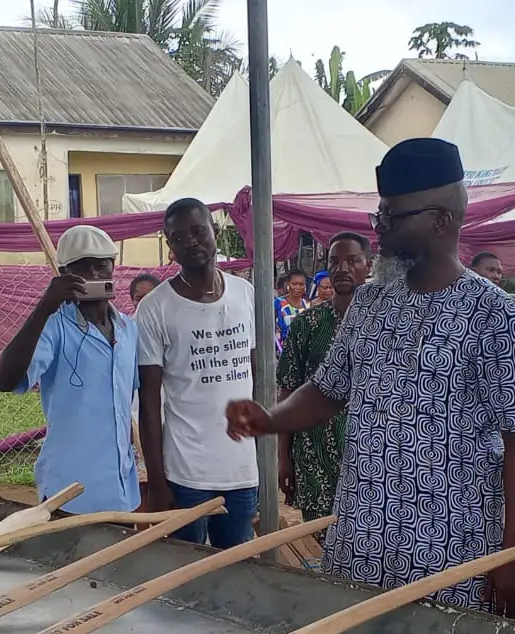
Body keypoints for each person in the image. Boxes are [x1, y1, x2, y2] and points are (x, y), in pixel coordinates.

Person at [224, 138, 515, 615]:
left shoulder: (495, 314)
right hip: (361, 539)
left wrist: (512, 553)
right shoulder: (370, 303)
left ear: (439, 220)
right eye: (379, 217)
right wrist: (271, 419)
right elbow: (327, 389)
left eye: (391, 217)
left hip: (450, 549)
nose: (380, 231)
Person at [137, 198, 258, 548]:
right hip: (186, 473)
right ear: (169, 244)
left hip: (242, 469)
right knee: (185, 575)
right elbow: (149, 402)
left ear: (215, 231)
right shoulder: (155, 308)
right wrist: (158, 481)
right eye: (178, 237)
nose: (190, 241)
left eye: (198, 231)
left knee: (236, 570)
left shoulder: (244, 294)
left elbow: (259, 377)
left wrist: (267, 456)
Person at [0, 225, 139, 513]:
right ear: (65, 275)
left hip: (122, 488)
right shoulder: (53, 325)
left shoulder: (128, 329)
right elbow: (5, 380)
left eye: (101, 267)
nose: (94, 276)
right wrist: (45, 306)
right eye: (82, 270)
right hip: (69, 491)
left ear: (113, 267)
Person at [275, 232, 371, 529]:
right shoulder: (308, 323)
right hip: (314, 452)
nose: (342, 269)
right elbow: (288, 389)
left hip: (372, 451)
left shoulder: (384, 324)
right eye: (334, 262)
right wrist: (284, 456)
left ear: (368, 266)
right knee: (321, 536)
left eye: (352, 261)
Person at [274, 269, 309, 348]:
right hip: (283, 352)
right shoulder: (278, 303)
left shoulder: (308, 305)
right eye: (294, 284)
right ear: (288, 284)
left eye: (301, 284)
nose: (298, 287)